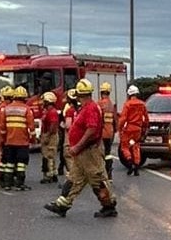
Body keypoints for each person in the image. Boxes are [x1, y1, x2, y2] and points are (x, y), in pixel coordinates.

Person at [45, 78, 117, 218]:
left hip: (88, 152)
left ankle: (108, 206)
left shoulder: (90, 108)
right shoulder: (87, 107)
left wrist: (77, 146)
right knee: (74, 178)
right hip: (83, 152)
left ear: (80, 95)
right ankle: (62, 205)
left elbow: (91, 129)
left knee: (97, 179)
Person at [0, 86, 36, 190]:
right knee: (21, 164)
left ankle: (7, 184)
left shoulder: (6, 109)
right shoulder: (26, 109)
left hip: (9, 142)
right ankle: (19, 184)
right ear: (24, 98)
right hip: (22, 142)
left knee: (9, 164)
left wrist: (3, 139)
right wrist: (33, 139)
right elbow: (31, 127)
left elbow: (2, 127)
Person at [116, 84, 149, 176]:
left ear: (129, 94)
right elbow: (146, 118)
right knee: (136, 146)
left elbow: (123, 119)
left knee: (125, 146)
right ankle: (137, 167)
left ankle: (130, 162)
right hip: (138, 129)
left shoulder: (127, 104)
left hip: (129, 128)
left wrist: (120, 129)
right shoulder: (142, 104)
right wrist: (144, 128)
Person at [38, 91, 60, 183]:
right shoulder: (48, 111)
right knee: (50, 155)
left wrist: (47, 136)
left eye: (44, 101)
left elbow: (53, 125)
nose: (43, 103)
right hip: (48, 134)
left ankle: (49, 176)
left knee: (48, 156)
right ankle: (53, 174)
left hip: (51, 136)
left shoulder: (52, 112)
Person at [99, 82, 118, 179]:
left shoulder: (100, 104)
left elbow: (98, 119)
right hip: (110, 132)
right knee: (108, 153)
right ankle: (109, 174)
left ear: (101, 92)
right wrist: (115, 130)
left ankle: (103, 175)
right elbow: (115, 119)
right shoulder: (111, 104)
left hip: (102, 133)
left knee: (101, 154)